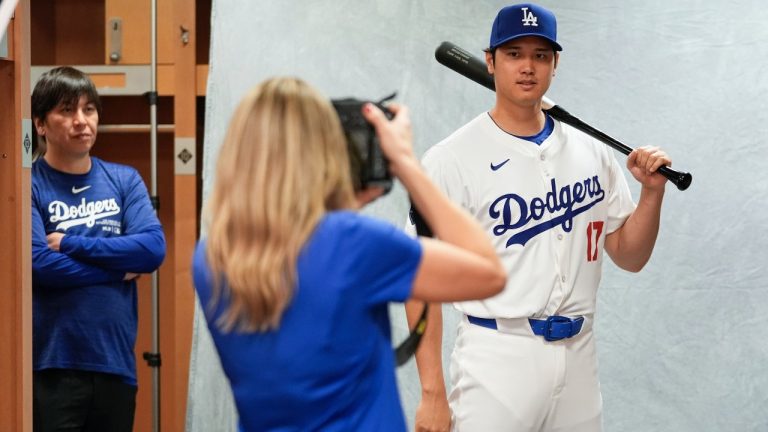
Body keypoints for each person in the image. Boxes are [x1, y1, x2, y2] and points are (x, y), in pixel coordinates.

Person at [406, 4, 674, 432]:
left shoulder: (590, 150)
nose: (527, 67)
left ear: (555, 64)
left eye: (540, 55)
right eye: (513, 54)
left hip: (579, 358)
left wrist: (651, 195)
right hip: (497, 357)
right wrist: (433, 394)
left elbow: (630, 256)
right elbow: (419, 279)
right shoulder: (450, 160)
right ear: (490, 62)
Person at [191, 76, 506, 431]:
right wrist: (405, 163)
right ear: (322, 151)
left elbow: (305, 263)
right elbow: (490, 271)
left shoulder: (210, 257)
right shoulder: (357, 244)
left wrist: (345, 201)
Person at [31, 66, 166, 432]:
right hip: (52, 367)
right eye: (67, 110)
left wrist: (72, 243)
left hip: (115, 365)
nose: (81, 121)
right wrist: (119, 270)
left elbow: (152, 249)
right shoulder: (28, 185)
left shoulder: (124, 180)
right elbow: (39, 264)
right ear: (41, 124)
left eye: (89, 110)